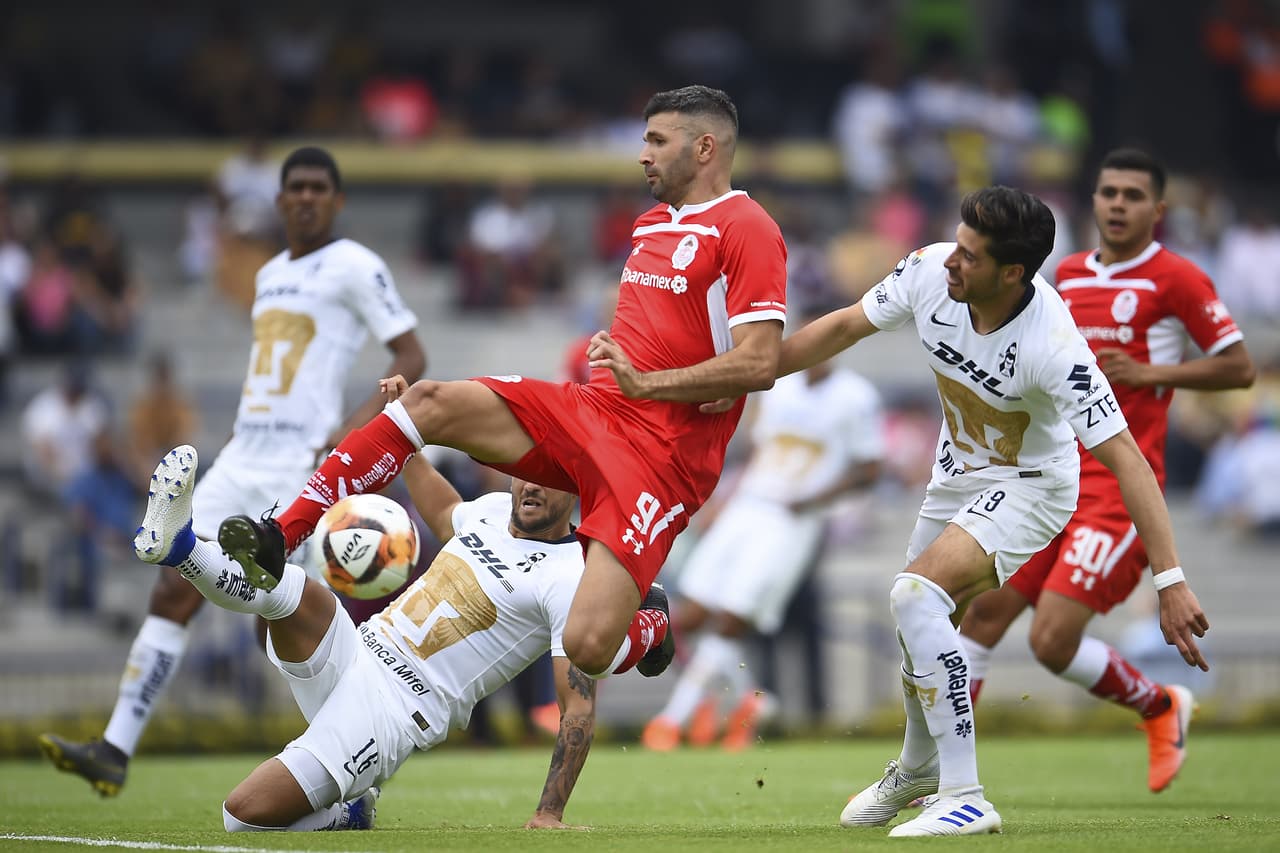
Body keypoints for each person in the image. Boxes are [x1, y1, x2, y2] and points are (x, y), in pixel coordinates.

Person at [215, 85, 788, 686]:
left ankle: (649, 626)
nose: (642, 154)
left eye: (656, 141)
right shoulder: (649, 224)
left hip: (661, 458)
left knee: (587, 645)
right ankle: (282, 532)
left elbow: (759, 362)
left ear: (703, 148)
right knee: (428, 401)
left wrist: (654, 383)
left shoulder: (747, 227)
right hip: (594, 412)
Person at [775, 185, 1209, 837]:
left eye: (970, 256)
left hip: (1033, 483)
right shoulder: (929, 269)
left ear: (1012, 272)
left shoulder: (1055, 345)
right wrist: (747, 373)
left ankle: (965, 793)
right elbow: (843, 325)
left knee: (915, 595)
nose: (952, 260)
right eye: (957, 242)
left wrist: (1170, 579)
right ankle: (918, 768)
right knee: (915, 617)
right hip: (955, 476)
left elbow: (1127, 458)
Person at [39, 146, 427, 797]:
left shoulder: (357, 264)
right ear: (280, 201)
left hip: (299, 459)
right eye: (294, 187)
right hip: (245, 449)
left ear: (337, 201)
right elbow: (268, 373)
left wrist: (347, 438)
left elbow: (411, 352)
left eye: (317, 187)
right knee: (171, 589)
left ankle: (354, 767)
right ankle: (114, 748)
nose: (305, 196)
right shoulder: (270, 271)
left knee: (275, 616)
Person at [956, 150, 1254, 792]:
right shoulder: (1065, 274)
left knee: (1051, 640)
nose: (1118, 204)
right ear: (1092, 201)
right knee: (979, 619)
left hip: (1119, 492)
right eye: (1108, 192)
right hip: (1050, 481)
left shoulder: (1177, 279)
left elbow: (1239, 367)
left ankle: (1160, 706)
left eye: (1132, 195)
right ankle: (941, 777)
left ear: (1158, 210)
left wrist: (1152, 373)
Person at [127, 431, 596, 832]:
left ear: (574, 488)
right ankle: (182, 547)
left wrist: (549, 812)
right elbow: (446, 509)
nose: (530, 486)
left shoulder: (572, 575)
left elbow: (577, 703)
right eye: (525, 471)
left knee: (242, 815)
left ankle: (349, 814)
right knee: (283, 586)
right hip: (359, 645)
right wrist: (407, 440)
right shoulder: (492, 510)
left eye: (548, 479)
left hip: (394, 709)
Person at [642, 312, 884, 752]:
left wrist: (811, 500)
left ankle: (670, 720)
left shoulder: (856, 397)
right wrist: (724, 502)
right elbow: (758, 453)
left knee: (734, 617)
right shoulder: (779, 385)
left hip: (793, 523)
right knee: (690, 616)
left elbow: (868, 469)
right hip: (748, 507)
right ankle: (752, 700)